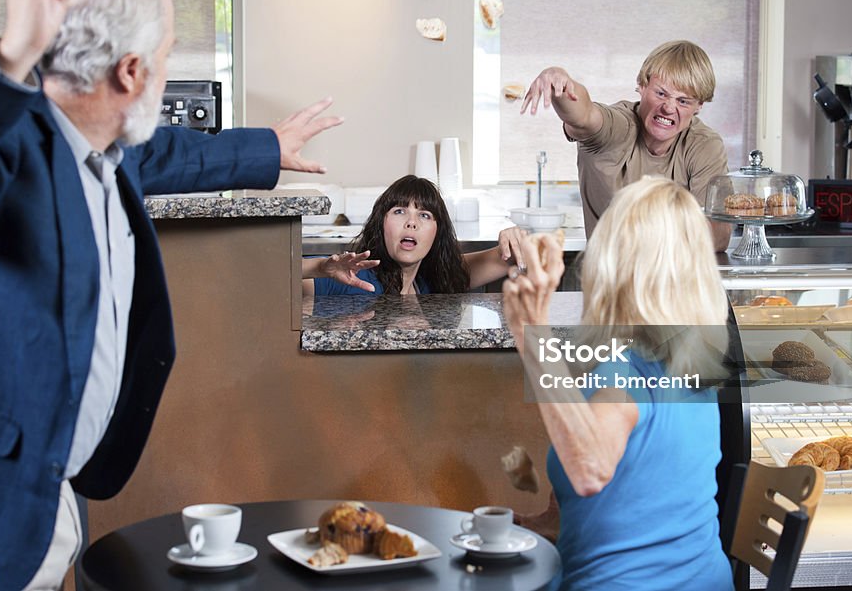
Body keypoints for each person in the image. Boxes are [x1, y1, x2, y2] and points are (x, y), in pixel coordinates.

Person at [0, 0, 341, 591]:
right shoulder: (0, 145)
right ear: (132, 72)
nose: (167, 75)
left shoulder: (104, 146)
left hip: (46, 495)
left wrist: (270, 146)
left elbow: (172, 152)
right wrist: (8, 57)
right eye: (167, 57)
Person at [502, 176, 733, 591]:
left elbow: (590, 472)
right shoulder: (695, 365)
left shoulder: (621, 375)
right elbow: (645, 493)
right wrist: (548, 524)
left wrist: (530, 334)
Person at [520, 40, 733, 251]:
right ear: (641, 85)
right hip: (609, 279)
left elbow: (718, 236)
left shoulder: (704, 145)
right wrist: (559, 80)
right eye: (661, 93)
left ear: (699, 106)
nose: (668, 108)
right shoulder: (620, 128)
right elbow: (584, 116)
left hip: (675, 281)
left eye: (683, 101)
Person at [302, 175, 528, 296]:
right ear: (381, 223)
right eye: (399, 211)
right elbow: (272, 278)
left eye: (425, 215)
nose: (411, 222)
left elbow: (516, 256)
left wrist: (513, 237)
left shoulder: (431, 279)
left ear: (437, 232)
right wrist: (320, 269)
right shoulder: (353, 278)